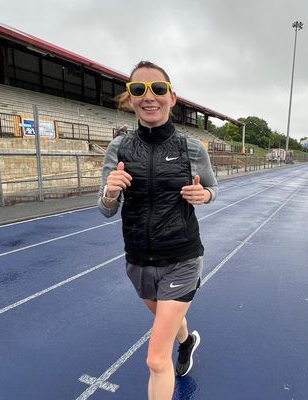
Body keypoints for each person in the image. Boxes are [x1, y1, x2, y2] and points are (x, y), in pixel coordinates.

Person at [97, 60, 218, 399]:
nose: (149, 97)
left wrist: (204, 194)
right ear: (131, 99)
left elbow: (213, 188)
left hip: (182, 256)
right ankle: (187, 340)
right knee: (167, 315)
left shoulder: (191, 147)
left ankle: (176, 347)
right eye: (139, 90)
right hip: (138, 260)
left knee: (155, 359)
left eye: (158, 89)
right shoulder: (118, 148)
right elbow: (105, 211)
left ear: (172, 97)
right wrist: (110, 191)